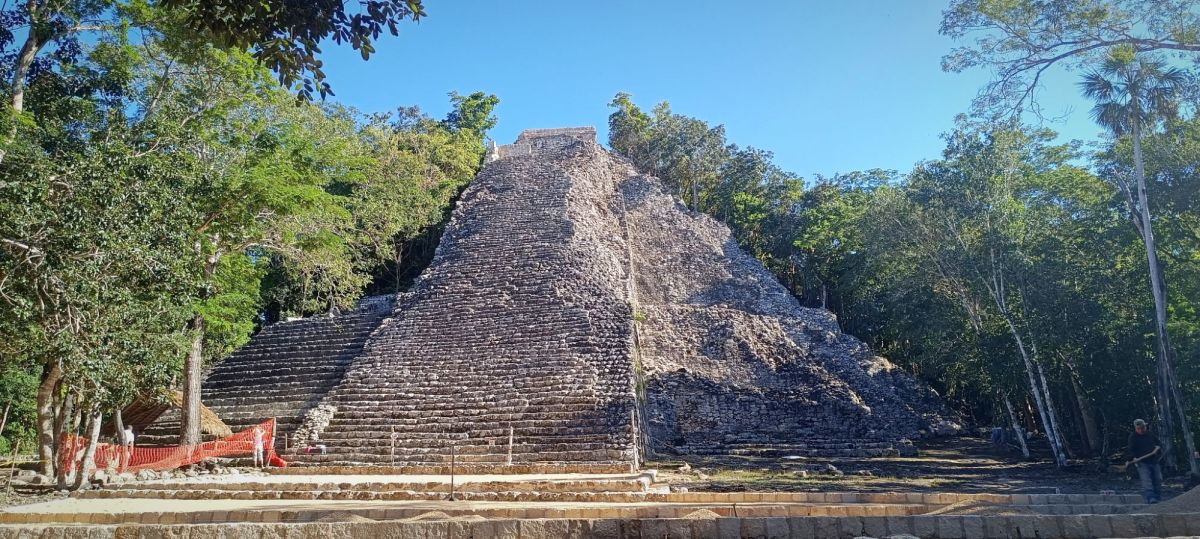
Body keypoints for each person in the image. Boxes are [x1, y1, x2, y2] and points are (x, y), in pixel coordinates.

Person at [1126, 418, 1163, 504]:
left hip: (1154, 461)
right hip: (1142, 463)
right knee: (1147, 481)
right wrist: (1132, 458)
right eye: (1139, 428)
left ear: (1145, 426)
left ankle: (1158, 498)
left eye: (1143, 427)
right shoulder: (1133, 437)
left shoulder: (1150, 434)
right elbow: (1131, 449)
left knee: (1158, 480)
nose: (1141, 430)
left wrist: (1157, 449)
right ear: (1136, 428)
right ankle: (1151, 498)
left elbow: (1158, 444)